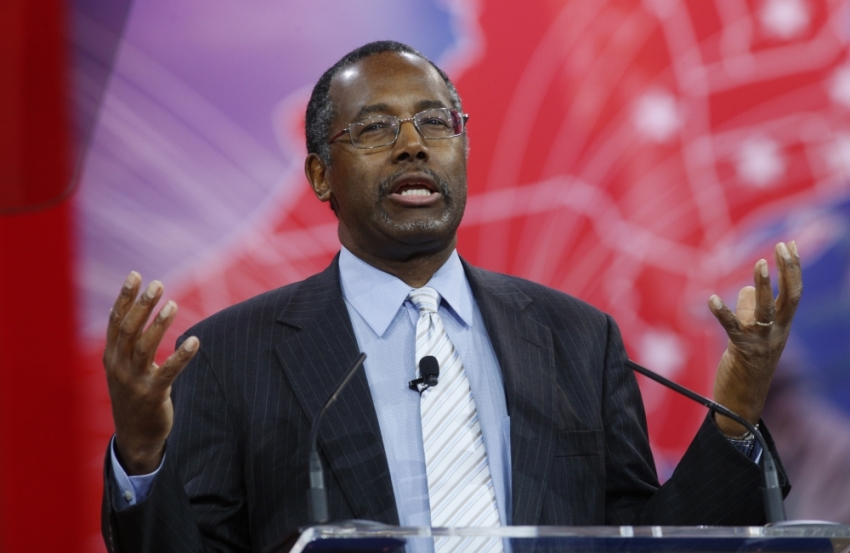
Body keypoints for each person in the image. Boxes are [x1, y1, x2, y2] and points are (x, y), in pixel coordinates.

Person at [101, 41, 802, 552]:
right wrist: (141, 453)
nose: (413, 145)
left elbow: (645, 542)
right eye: (375, 128)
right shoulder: (234, 353)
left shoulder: (577, 339)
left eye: (437, 122)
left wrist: (738, 405)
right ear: (321, 175)